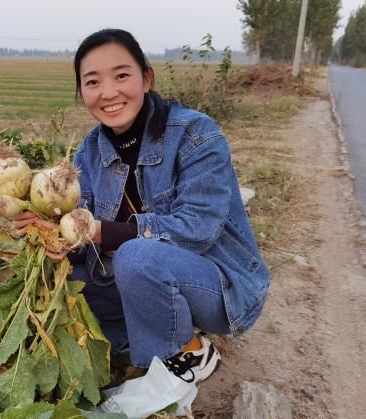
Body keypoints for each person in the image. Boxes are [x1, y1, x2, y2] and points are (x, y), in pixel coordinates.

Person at [15, 28, 270, 385]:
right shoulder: (88, 153)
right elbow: (82, 232)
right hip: (145, 278)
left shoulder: (196, 135)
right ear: (81, 92)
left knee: (136, 255)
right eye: (92, 82)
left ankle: (182, 355)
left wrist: (104, 232)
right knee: (63, 278)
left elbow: (197, 229)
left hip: (220, 285)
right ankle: (141, 346)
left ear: (146, 77)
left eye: (121, 76)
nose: (108, 93)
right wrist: (50, 234)